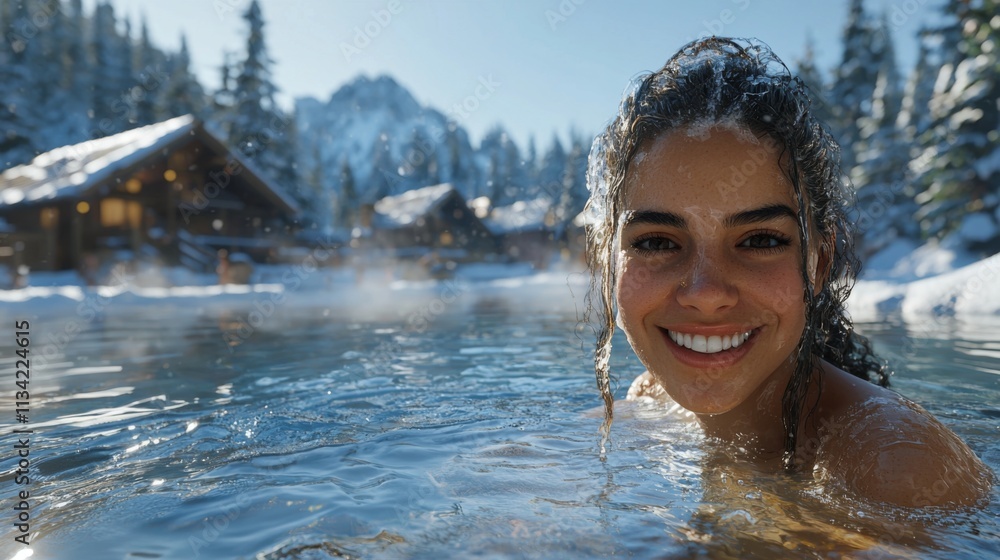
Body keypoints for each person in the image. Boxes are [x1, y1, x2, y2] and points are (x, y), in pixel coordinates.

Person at [585, 37, 992, 508]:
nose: (706, 293)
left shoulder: (896, 464)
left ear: (818, 263)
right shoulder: (654, 397)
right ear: (610, 261)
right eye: (657, 242)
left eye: (759, 240)